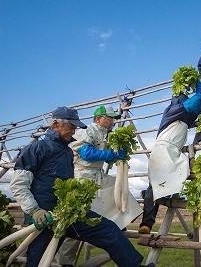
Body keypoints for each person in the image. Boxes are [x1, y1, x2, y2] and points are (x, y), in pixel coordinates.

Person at [9, 106, 145, 267]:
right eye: (71, 126)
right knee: (38, 260)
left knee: (108, 230)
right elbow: (18, 184)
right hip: (45, 216)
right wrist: (34, 210)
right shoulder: (37, 149)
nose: (73, 131)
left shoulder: (67, 152)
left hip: (69, 212)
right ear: (55, 124)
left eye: (75, 127)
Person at [55, 105, 142, 267]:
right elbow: (86, 153)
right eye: (109, 119)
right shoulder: (87, 131)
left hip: (97, 175)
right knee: (77, 219)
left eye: (113, 120)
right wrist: (111, 154)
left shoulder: (105, 135)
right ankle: (65, 262)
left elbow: (105, 158)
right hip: (83, 177)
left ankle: (118, 226)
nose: (112, 123)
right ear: (97, 119)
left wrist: (116, 155)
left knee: (120, 189)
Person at [138, 81, 201, 234]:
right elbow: (194, 103)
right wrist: (200, 89)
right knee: (154, 185)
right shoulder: (172, 110)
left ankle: (167, 194)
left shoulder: (183, 119)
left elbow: (193, 115)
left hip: (173, 152)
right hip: (162, 151)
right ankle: (146, 224)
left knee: (179, 172)